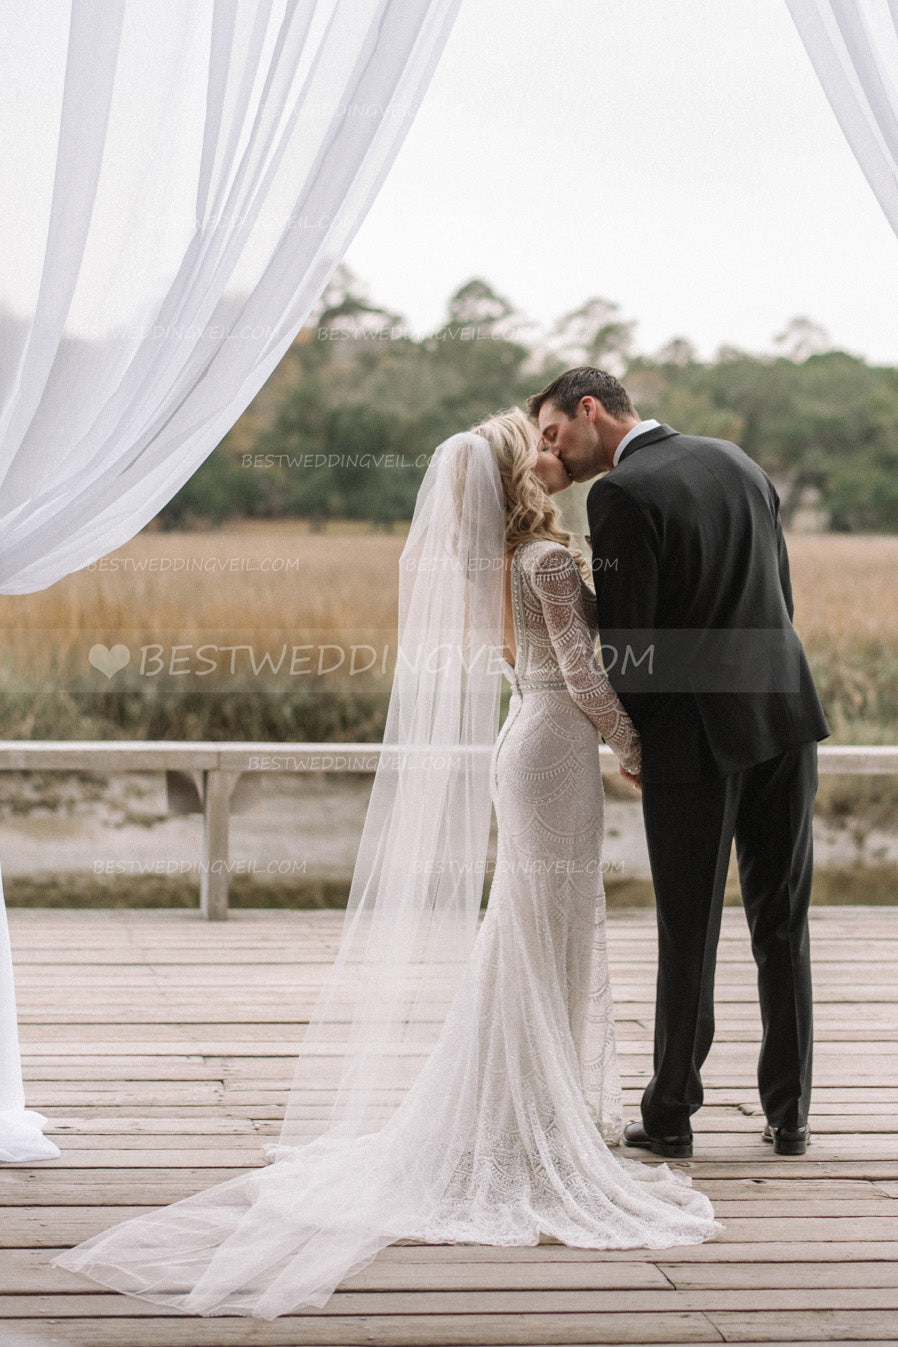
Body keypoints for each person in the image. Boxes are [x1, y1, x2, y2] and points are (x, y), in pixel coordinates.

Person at [54, 409, 717, 1319]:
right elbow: (588, 674)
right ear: (519, 477)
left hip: (525, 742)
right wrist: (635, 746)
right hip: (557, 749)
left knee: (527, 929)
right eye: (541, 450)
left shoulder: (496, 563)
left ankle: (524, 1111)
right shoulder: (549, 562)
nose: (554, 455)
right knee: (541, 930)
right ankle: (529, 1126)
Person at [530, 368, 830, 1161]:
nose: (554, 452)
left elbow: (630, 649)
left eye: (556, 433)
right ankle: (791, 1112)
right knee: (783, 917)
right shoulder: (737, 459)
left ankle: (670, 1115)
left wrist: (638, 742)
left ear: (589, 409)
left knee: (687, 926)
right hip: (786, 711)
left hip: (696, 736)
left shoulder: (622, 495)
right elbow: (781, 596)